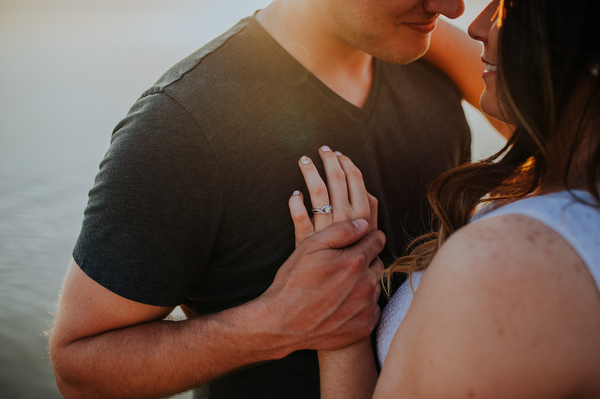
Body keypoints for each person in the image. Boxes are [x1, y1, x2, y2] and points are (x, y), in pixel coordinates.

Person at [47, 0, 503, 398]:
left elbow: (560, 137)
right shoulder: (180, 128)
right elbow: (78, 367)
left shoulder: (430, 55)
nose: (452, 8)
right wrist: (273, 325)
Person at [291, 0, 600, 397]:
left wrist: (340, 329)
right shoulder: (572, 191)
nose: (475, 25)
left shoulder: (503, 265)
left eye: (509, 10)